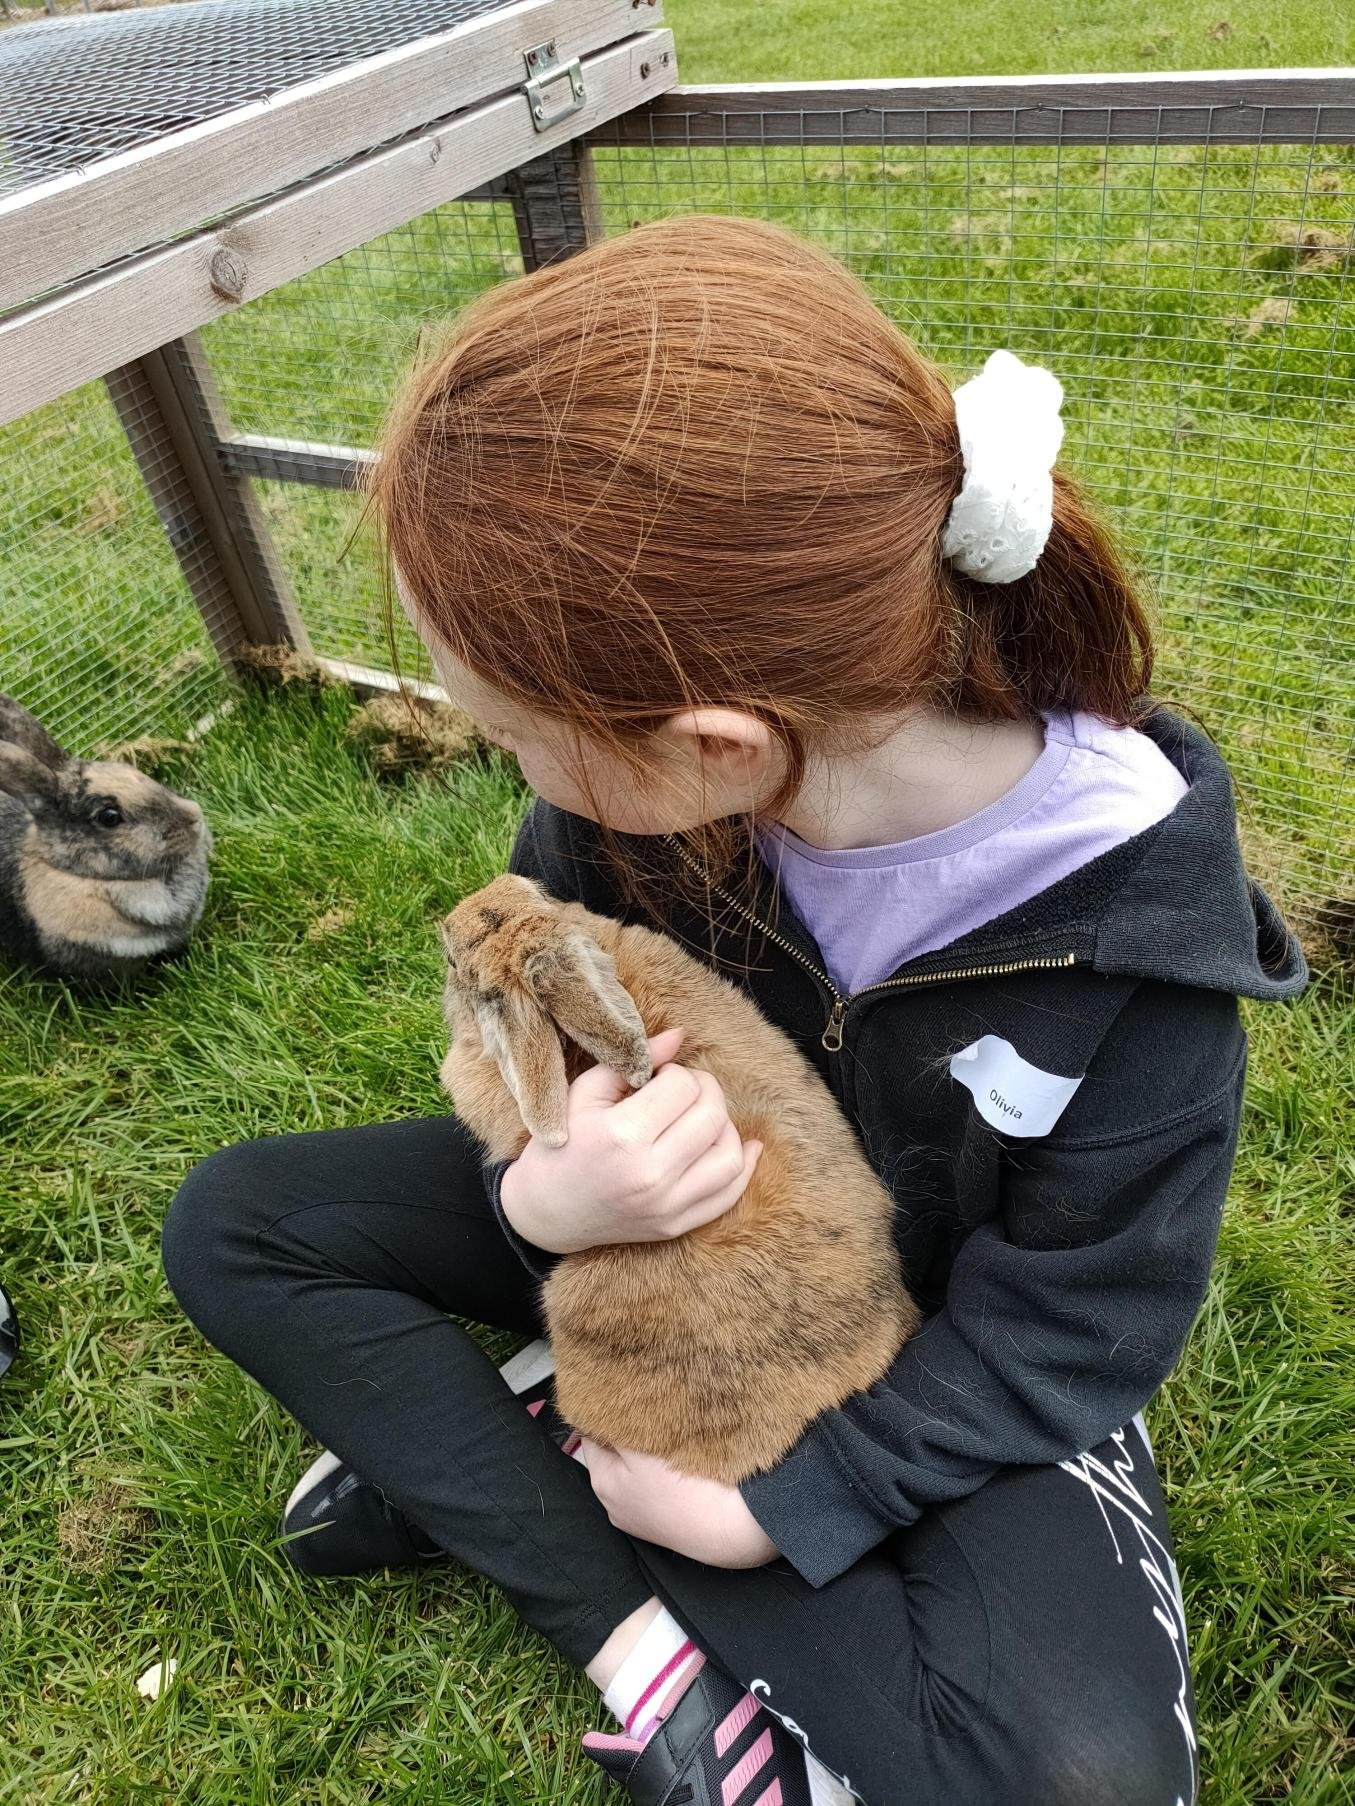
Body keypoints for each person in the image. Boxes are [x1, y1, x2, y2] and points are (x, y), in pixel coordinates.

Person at [162, 216, 1305, 1806]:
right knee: (237, 1221)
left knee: (1088, 1783)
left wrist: (783, 1501)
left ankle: (526, 1459)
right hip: (662, 1233)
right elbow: (537, 1046)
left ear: (708, 747)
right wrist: (546, 1191)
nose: (513, 770)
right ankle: (642, 1654)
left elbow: (1075, 1324)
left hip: (924, 1346)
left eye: (514, 735)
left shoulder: (1143, 957)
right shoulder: (633, 807)